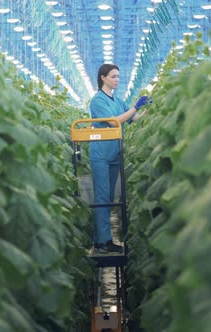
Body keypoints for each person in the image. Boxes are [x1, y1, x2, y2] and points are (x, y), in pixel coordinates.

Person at [89, 63, 151, 253]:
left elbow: (133, 118)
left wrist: (149, 108)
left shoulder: (117, 100)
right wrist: (135, 106)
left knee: (108, 196)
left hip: (114, 153)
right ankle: (102, 241)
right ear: (103, 78)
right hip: (100, 153)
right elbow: (114, 121)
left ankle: (103, 238)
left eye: (118, 76)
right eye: (114, 76)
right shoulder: (98, 101)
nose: (117, 79)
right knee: (102, 196)